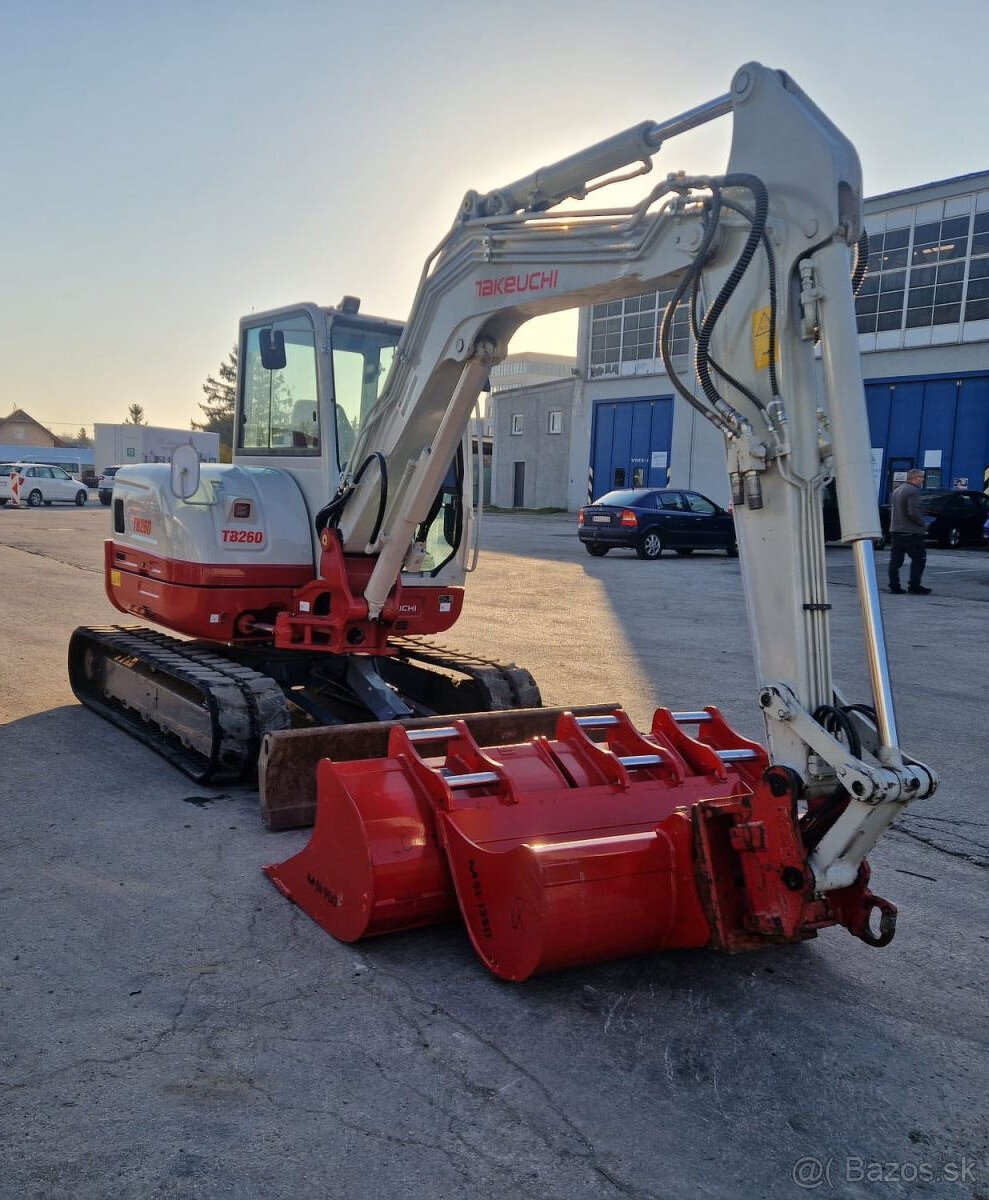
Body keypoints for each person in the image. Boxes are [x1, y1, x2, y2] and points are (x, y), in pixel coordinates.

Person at [888, 468, 931, 595]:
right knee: (919, 559)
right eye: (921, 477)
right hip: (911, 532)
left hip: (896, 531)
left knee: (895, 561)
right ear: (915, 478)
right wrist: (923, 524)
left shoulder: (897, 490)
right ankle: (914, 585)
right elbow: (913, 512)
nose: (923, 480)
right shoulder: (913, 491)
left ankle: (894, 586)